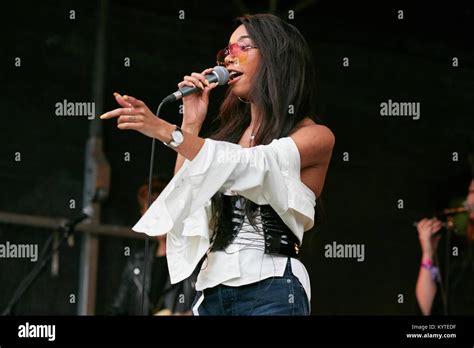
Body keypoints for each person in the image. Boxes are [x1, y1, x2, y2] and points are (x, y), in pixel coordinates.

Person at [101, 14, 334, 315]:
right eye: (226, 51)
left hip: (273, 288)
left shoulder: (315, 137)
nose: (228, 57)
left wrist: (164, 131)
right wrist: (190, 125)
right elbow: (185, 201)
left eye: (242, 47)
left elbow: (251, 166)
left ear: (277, 56)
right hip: (212, 291)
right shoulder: (227, 142)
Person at [107, 176, 197, 315]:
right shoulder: (137, 261)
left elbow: (213, 304)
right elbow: (117, 309)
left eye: (161, 210)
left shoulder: (195, 255)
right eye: (150, 211)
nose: (157, 217)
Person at [415, 178, 474, 315]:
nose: (467, 199)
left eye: (472, 191)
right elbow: (426, 308)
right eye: (469, 191)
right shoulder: (461, 251)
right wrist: (428, 253)